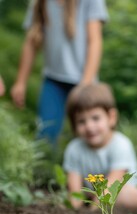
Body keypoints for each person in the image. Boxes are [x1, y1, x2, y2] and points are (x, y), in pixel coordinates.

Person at [11, 0, 108, 147]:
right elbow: (31, 42)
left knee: (90, 134)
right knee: (45, 135)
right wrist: (20, 82)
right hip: (53, 80)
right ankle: (47, 169)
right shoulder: (40, 3)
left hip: (83, 81)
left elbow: (94, 40)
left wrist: (86, 84)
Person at [63, 83, 137, 211]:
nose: (89, 127)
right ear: (74, 125)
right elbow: (75, 191)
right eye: (81, 121)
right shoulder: (74, 148)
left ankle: (104, 211)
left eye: (95, 118)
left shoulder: (120, 144)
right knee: (70, 199)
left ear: (111, 117)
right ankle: (93, 206)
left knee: (132, 196)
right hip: (91, 195)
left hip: (118, 193)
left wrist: (92, 213)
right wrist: (74, 207)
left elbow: (112, 184)